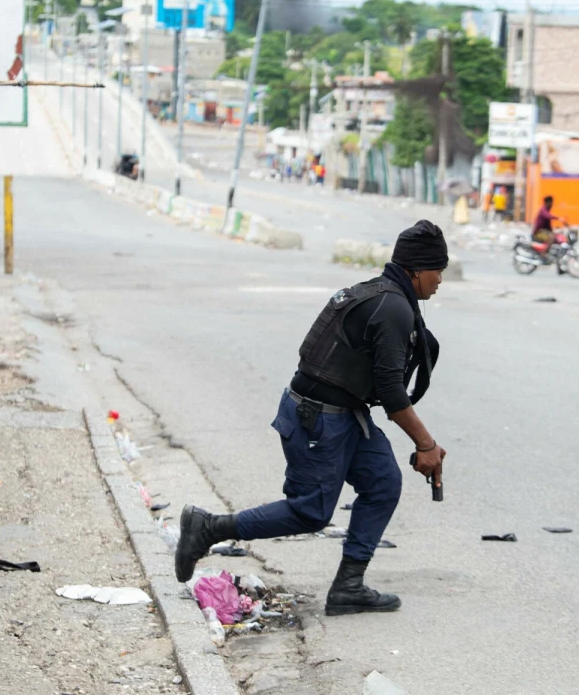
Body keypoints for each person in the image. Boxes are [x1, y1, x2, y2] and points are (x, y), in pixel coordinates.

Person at [174, 220, 449, 616]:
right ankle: (209, 527)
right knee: (310, 512)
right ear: (417, 270)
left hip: (344, 414)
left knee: (384, 481)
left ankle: (348, 586)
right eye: (437, 271)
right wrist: (425, 444)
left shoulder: (382, 294)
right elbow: (391, 393)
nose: (440, 280)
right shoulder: (392, 308)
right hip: (319, 418)